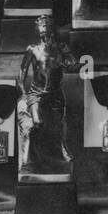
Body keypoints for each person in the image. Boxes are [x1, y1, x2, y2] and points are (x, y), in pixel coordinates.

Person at [15, 15, 80, 174]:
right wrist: (23, 91)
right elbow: (22, 71)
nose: (45, 32)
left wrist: (68, 57)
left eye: (47, 28)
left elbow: (73, 64)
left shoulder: (61, 47)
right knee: (37, 123)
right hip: (37, 93)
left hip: (55, 92)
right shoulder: (32, 49)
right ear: (38, 31)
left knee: (60, 121)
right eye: (42, 28)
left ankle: (63, 148)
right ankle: (29, 153)